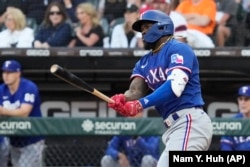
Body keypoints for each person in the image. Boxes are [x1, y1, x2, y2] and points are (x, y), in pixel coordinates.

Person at [107, 10, 213, 167]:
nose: (142, 32)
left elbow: (174, 87)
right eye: (141, 29)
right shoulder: (144, 62)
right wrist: (123, 99)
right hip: (173, 128)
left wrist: (139, 104)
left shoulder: (178, 49)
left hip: (189, 121)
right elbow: (136, 91)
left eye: (147, 27)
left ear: (162, 27)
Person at [0, 60, 45, 167]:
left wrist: (3, 111)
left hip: (32, 139)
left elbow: (24, 112)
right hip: (14, 141)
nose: (6, 75)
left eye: (10, 72)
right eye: (4, 72)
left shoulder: (29, 87)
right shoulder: (2, 89)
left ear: (18, 73)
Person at [220, 85, 250, 150]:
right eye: (240, 99)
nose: (242, 102)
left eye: (246, 99)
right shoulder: (233, 121)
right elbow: (225, 145)